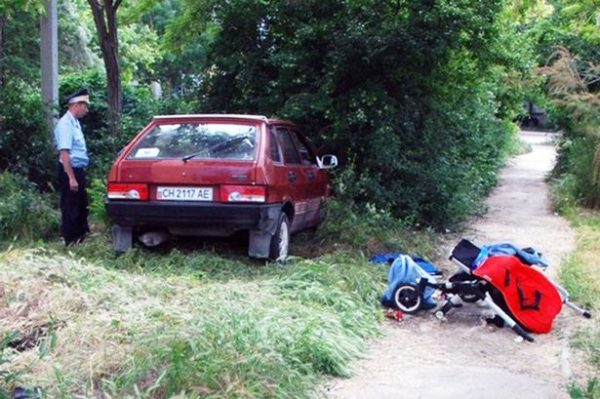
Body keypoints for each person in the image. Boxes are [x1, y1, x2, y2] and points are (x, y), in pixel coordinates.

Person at [54, 88, 91, 245]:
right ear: (77, 105)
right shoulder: (65, 124)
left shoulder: (75, 123)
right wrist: (71, 177)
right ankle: (70, 239)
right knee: (71, 206)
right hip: (70, 170)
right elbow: (65, 153)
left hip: (78, 169)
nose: (87, 110)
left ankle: (81, 237)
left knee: (81, 204)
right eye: (85, 106)